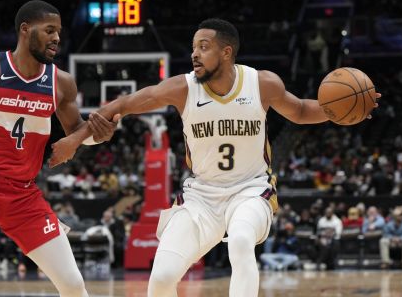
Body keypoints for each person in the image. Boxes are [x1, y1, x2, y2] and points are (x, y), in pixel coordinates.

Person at [49, 18, 380, 296]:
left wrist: (343, 110)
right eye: (194, 47)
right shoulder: (182, 88)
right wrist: (74, 140)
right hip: (201, 197)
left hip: (251, 190)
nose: (194, 54)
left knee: (239, 241)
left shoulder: (261, 83)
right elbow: (122, 105)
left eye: (203, 46)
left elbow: (302, 110)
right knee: (162, 276)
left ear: (226, 51)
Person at [0, 0, 118, 297]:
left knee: (73, 285)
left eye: (58, 31)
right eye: (49, 30)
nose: (57, 37)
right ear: (25, 30)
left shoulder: (61, 83)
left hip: (23, 195)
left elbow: (77, 132)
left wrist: (99, 135)